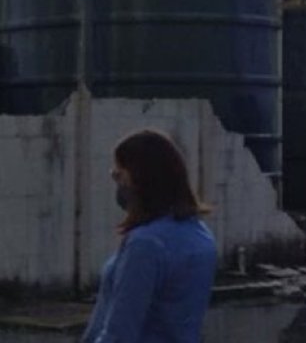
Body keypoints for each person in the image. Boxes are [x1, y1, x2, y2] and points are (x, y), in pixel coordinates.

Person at [81, 129, 218, 343]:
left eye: (118, 175)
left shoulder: (145, 244)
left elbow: (120, 334)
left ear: (140, 178)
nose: (117, 184)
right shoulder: (201, 235)